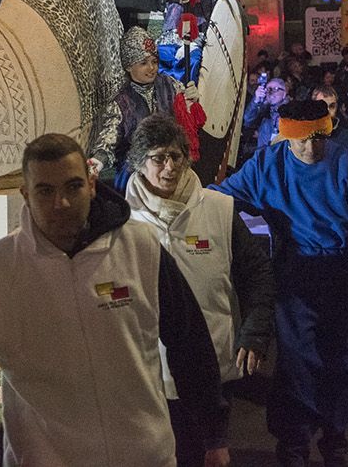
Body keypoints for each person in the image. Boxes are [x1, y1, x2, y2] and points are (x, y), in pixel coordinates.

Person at [0, 133, 230, 467]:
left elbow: (191, 347)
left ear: (92, 185)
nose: (61, 203)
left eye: (72, 186)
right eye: (45, 191)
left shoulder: (141, 249)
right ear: (26, 194)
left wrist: (214, 435)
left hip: (144, 456)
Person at [213, 99, 348, 467]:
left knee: (344, 362)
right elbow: (220, 199)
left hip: (343, 275)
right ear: (285, 137)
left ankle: (336, 442)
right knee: (297, 364)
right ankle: (294, 445)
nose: (310, 148)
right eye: (301, 141)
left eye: (317, 139)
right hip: (294, 274)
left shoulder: (346, 164)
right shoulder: (268, 165)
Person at [124, 115, 274, 467]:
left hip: (211, 371)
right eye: (159, 157)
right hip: (145, 375)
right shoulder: (121, 220)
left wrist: (255, 331)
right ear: (140, 162)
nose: (170, 166)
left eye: (177, 156)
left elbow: (258, 273)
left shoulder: (220, 209)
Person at [95, 27, 186, 188]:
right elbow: (108, 140)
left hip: (171, 165)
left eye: (154, 62)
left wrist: (192, 100)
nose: (151, 68)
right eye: (143, 63)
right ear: (129, 67)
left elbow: (189, 121)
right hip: (136, 173)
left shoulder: (170, 85)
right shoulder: (120, 103)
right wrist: (96, 162)